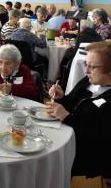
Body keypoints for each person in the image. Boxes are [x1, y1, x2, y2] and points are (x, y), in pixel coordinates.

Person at [47, 41, 111, 178]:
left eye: (92, 67)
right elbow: (71, 103)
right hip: (65, 138)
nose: (86, 71)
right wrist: (61, 98)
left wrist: (67, 117)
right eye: (86, 64)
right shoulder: (88, 81)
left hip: (84, 157)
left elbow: (100, 140)